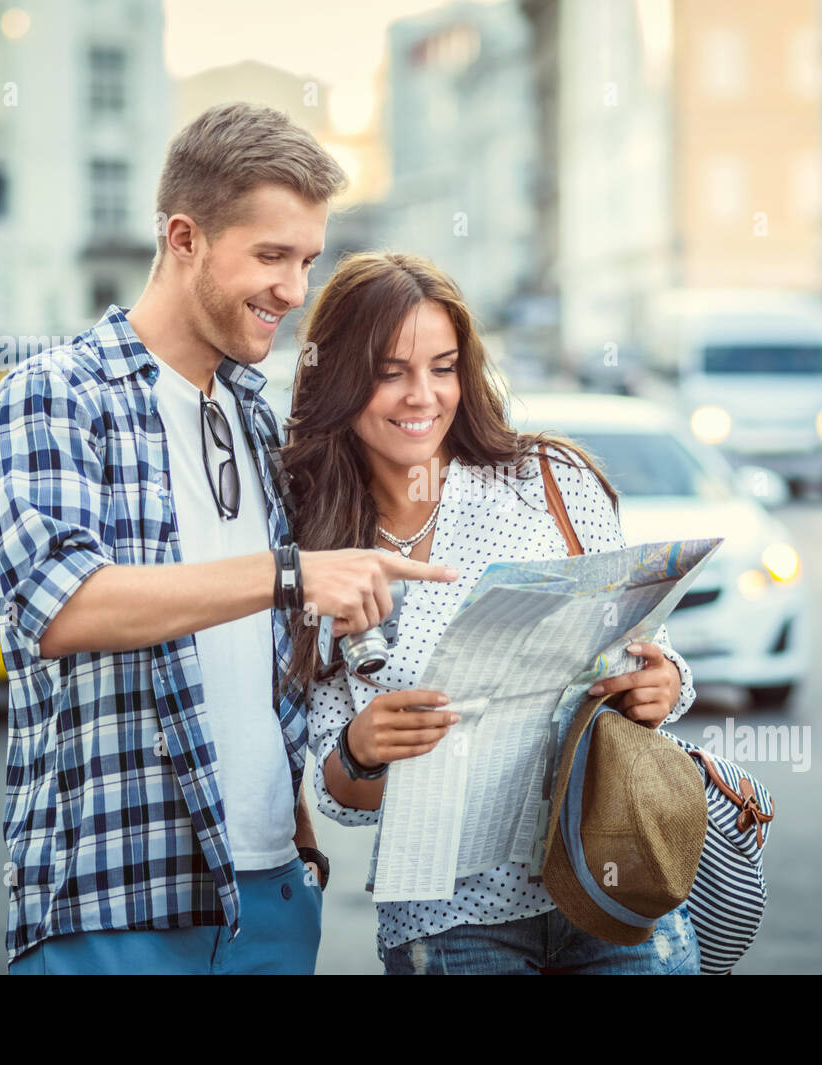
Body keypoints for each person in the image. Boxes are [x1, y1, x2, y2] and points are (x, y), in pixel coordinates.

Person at [0, 105, 458, 976]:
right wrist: (290, 574)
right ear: (185, 236)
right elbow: (66, 605)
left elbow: (262, 662)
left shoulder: (254, 415)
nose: (295, 290)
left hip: (271, 899)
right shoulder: (55, 394)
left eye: (308, 260)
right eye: (271, 256)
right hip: (118, 902)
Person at [283, 252, 701, 974]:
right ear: (341, 378)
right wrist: (362, 744)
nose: (423, 395)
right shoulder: (316, 542)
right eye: (391, 371)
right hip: (450, 919)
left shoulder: (550, 482)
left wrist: (662, 685)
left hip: (608, 874)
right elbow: (341, 796)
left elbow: (646, 653)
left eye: (442, 367)